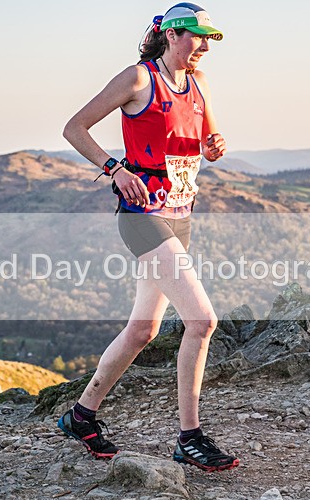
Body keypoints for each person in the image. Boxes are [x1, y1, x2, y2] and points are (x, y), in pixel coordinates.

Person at [58, 2, 239, 472]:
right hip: (141, 215)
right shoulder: (139, 79)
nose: (204, 46)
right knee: (201, 321)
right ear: (173, 35)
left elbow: (207, 143)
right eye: (198, 37)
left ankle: (82, 415)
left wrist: (213, 147)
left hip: (180, 216)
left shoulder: (198, 86)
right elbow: (73, 127)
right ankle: (190, 437)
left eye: (208, 40)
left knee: (143, 330)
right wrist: (113, 168)